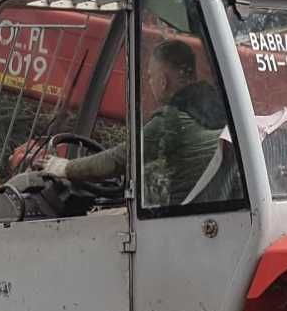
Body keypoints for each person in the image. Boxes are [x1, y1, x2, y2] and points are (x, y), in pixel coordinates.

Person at [42, 39, 230, 207]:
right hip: (208, 207)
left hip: (182, 216)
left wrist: (64, 167)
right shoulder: (218, 109)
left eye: (150, 76)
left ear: (163, 81)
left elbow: (120, 160)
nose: (149, 82)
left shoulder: (172, 121)